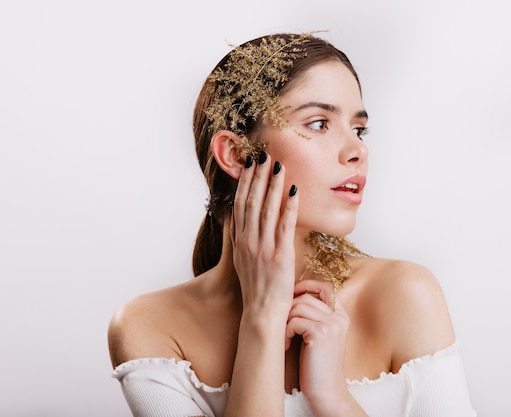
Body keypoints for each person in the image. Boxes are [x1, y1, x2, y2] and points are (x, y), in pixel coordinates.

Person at [108, 32, 477, 417]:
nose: (357, 151)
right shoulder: (148, 326)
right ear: (235, 154)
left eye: (359, 128)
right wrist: (262, 318)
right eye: (319, 123)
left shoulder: (404, 294)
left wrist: (332, 397)